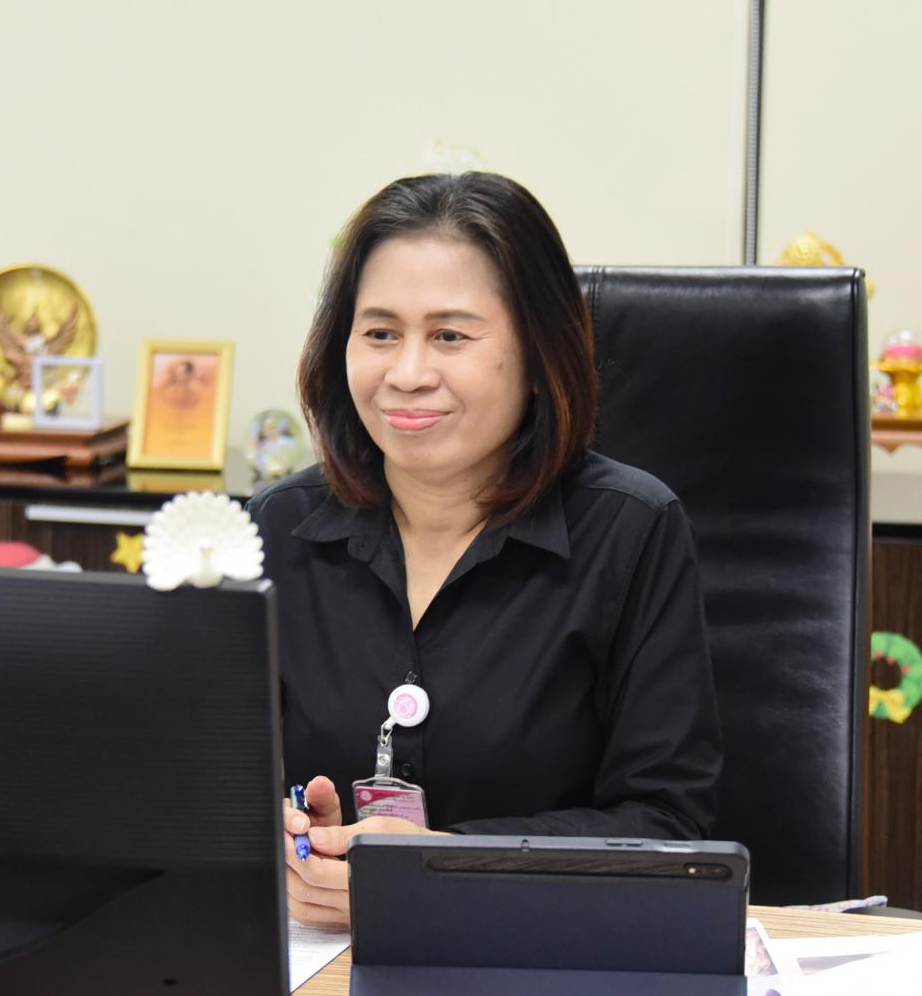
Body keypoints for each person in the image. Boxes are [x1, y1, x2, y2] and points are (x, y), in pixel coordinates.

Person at [246, 172, 722, 930]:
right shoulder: (280, 527)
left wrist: (445, 865)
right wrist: (279, 839)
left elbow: (668, 826)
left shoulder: (630, 530)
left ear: (537, 354)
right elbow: (212, 781)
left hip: (546, 959)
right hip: (318, 964)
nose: (407, 375)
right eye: (379, 334)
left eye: (450, 336)